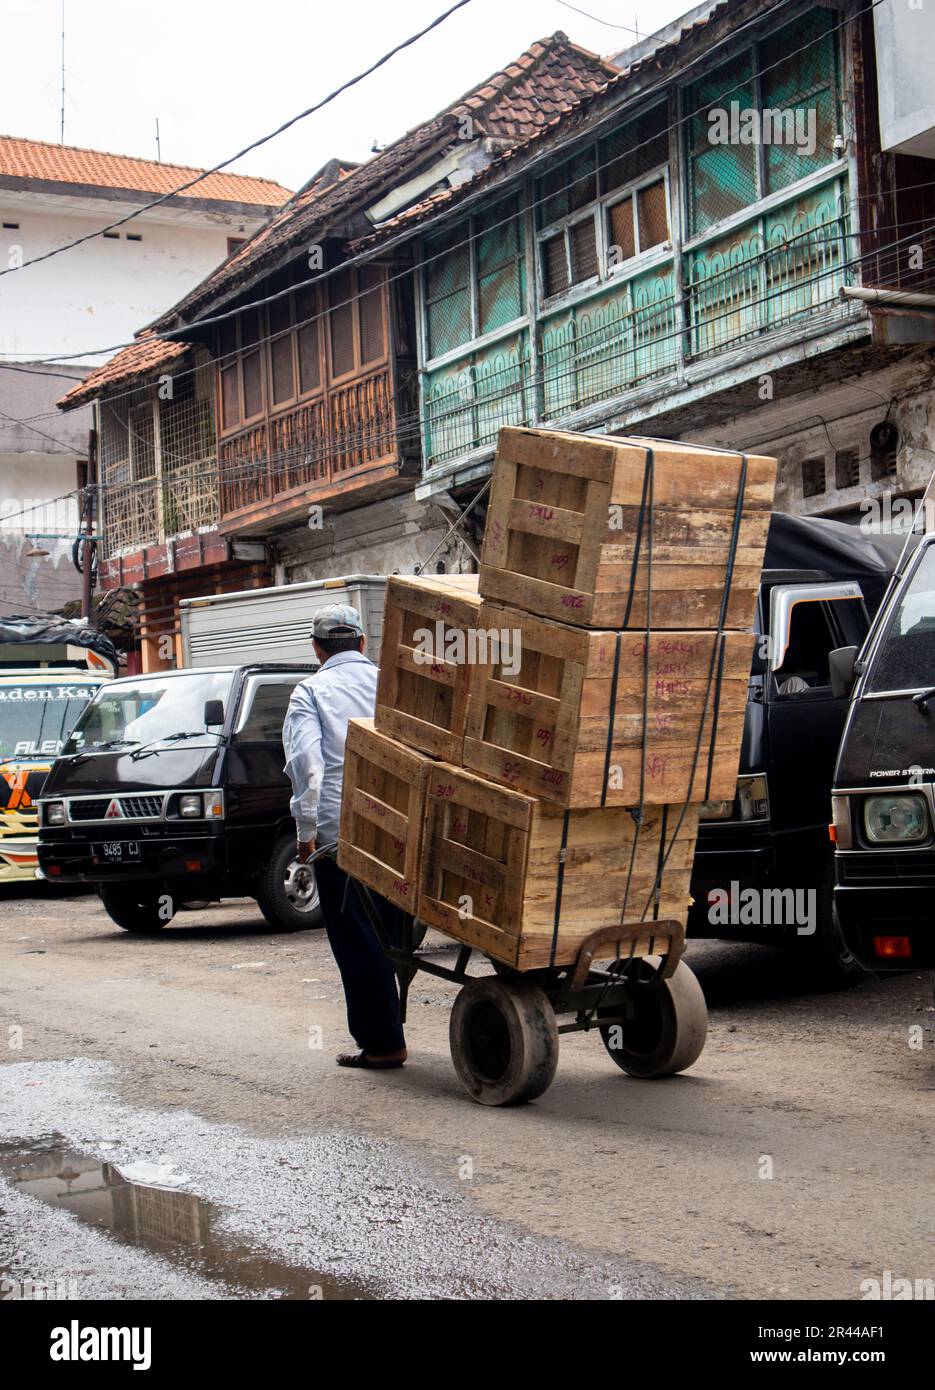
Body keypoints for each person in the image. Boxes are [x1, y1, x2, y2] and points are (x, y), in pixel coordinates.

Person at [282, 604, 407, 1070]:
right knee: (390, 935)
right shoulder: (390, 684)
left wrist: (306, 834)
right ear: (361, 643)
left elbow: (307, 767)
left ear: (317, 649)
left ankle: (383, 1043)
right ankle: (388, 1028)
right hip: (399, 826)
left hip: (341, 833)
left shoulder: (309, 693)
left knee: (358, 940)